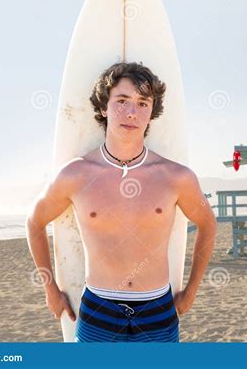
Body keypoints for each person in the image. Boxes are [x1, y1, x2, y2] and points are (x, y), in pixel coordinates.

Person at [26, 62, 217, 342]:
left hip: (157, 310)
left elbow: (208, 226)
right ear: (104, 107)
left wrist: (191, 292)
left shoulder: (176, 177)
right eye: (122, 101)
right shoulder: (76, 174)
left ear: (152, 112)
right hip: (99, 309)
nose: (131, 112)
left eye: (142, 103)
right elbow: (34, 222)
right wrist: (50, 289)